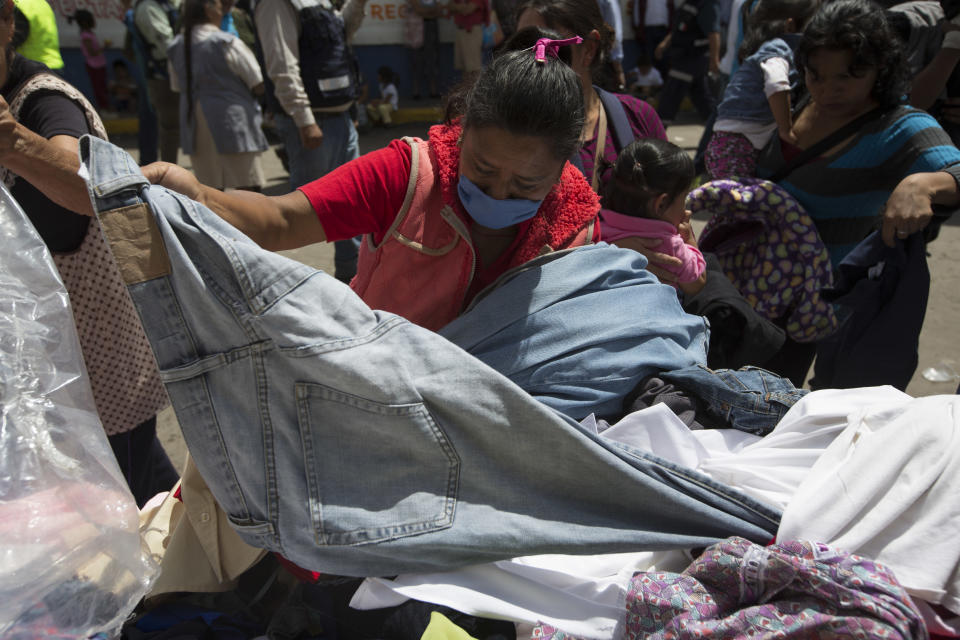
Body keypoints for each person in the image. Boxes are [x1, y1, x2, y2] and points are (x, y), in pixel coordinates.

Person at [142, 37, 600, 331]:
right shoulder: (405, 176)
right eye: (481, 170)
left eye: (524, 185)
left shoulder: (573, 228)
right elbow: (279, 220)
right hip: (375, 393)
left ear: (563, 169)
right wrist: (198, 197)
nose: (498, 194)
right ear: (462, 131)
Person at [0, 0, 176, 507]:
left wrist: (13, 143)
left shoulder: (44, 101)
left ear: (7, 23)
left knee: (111, 489)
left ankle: (196, 575)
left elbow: (87, 188)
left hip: (91, 350)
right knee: (136, 480)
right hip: (43, 351)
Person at [745, 0, 960, 384]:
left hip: (828, 309)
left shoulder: (899, 127)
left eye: (848, 75)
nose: (829, 89)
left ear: (882, 69)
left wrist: (923, 183)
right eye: (817, 75)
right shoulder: (794, 98)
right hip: (757, 289)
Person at [253, 0, 368, 283]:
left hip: (340, 115)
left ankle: (352, 279)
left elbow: (343, 37)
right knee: (299, 215)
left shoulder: (320, 2)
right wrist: (304, 119)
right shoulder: (277, 4)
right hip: (313, 121)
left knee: (353, 206)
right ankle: (282, 287)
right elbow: (282, 63)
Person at [515, 0, 667, 195]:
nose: (533, 57)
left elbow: (669, 207)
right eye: (521, 45)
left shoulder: (638, 117)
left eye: (546, 45)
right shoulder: (502, 127)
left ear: (589, 49)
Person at [705, 0, 819, 179]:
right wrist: (785, 129)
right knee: (737, 200)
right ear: (790, 25)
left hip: (741, 141)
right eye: (813, 24)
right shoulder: (778, 49)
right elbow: (776, 84)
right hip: (736, 144)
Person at [167, 0, 267, 191]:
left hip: (195, 124)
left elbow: (177, 87)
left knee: (212, 192)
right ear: (209, 9)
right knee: (248, 188)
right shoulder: (225, 42)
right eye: (221, 8)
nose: (223, 13)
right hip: (232, 121)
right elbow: (257, 81)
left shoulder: (175, 46)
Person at [600, 138, 707, 295]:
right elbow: (697, 283)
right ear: (661, 204)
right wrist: (688, 238)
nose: (686, 210)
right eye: (684, 198)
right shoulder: (668, 245)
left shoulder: (599, 231)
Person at [653, 0, 723, 126]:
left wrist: (714, 61)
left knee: (670, 96)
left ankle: (656, 133)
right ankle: (717, 129)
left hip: (692, 58)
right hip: (683, 57)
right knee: (702, 98)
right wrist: (665, 43)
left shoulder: (707, 4)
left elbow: (713, 34)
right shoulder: (690, 3)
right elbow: (681, 26)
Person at [132, 0, 182, 163]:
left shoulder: (166, 4)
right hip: (163, 78)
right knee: (170, 130)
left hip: (175, 73)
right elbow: (167, 47)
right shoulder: (149, 7)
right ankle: (168, 179)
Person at [68, 9, 111, 112]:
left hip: (100, 64)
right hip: (94, 66)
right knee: (99, 89)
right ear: (85, 22)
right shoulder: (86, 36)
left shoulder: (90, 34)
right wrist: (104, 47)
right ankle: (103, 108)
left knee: (103, 87)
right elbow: (92, 53)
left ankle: (106, 107)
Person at [11, 0, 62, 72]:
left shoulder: (18, 4)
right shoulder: (42, 3)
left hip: (32, 68)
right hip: (52, 63)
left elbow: (13, 38)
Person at [407, 0, 441, 99]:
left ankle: (433, 91)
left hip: (432, 28)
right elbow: (418, 10)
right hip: (416, 30)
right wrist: (431, 12)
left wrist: (426, 13)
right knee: (416, 61)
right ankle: (416, 92)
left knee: (432, 59)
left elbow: (439, 10)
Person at [451, 0, 486, 77]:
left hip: (471, 32)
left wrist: (456, 6)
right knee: (464, 68)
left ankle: (476, 89)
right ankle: (466, 89)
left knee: (473, 69)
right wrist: (460, 7)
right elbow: (450, 6)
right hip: (460, 30)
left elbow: (467, 10)